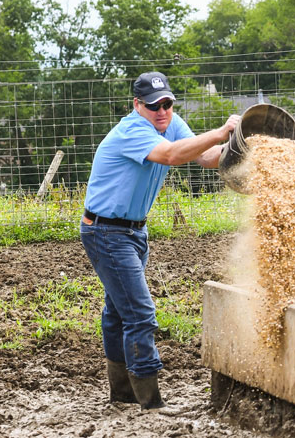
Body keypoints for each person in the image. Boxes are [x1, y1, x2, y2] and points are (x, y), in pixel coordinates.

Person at [80, 71, 240, 410]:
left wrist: (237, 144)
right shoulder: (132, 131)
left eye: (167, 103)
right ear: (137, 105)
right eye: (154, 106)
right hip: (106, 232)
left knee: (117, 312)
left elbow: (205, 157)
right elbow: (171, 156)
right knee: (139, 313)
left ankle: (122, 395)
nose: (162, 111)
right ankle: (151, 403)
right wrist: (218, 131)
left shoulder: (171, 122)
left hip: (133, 231)